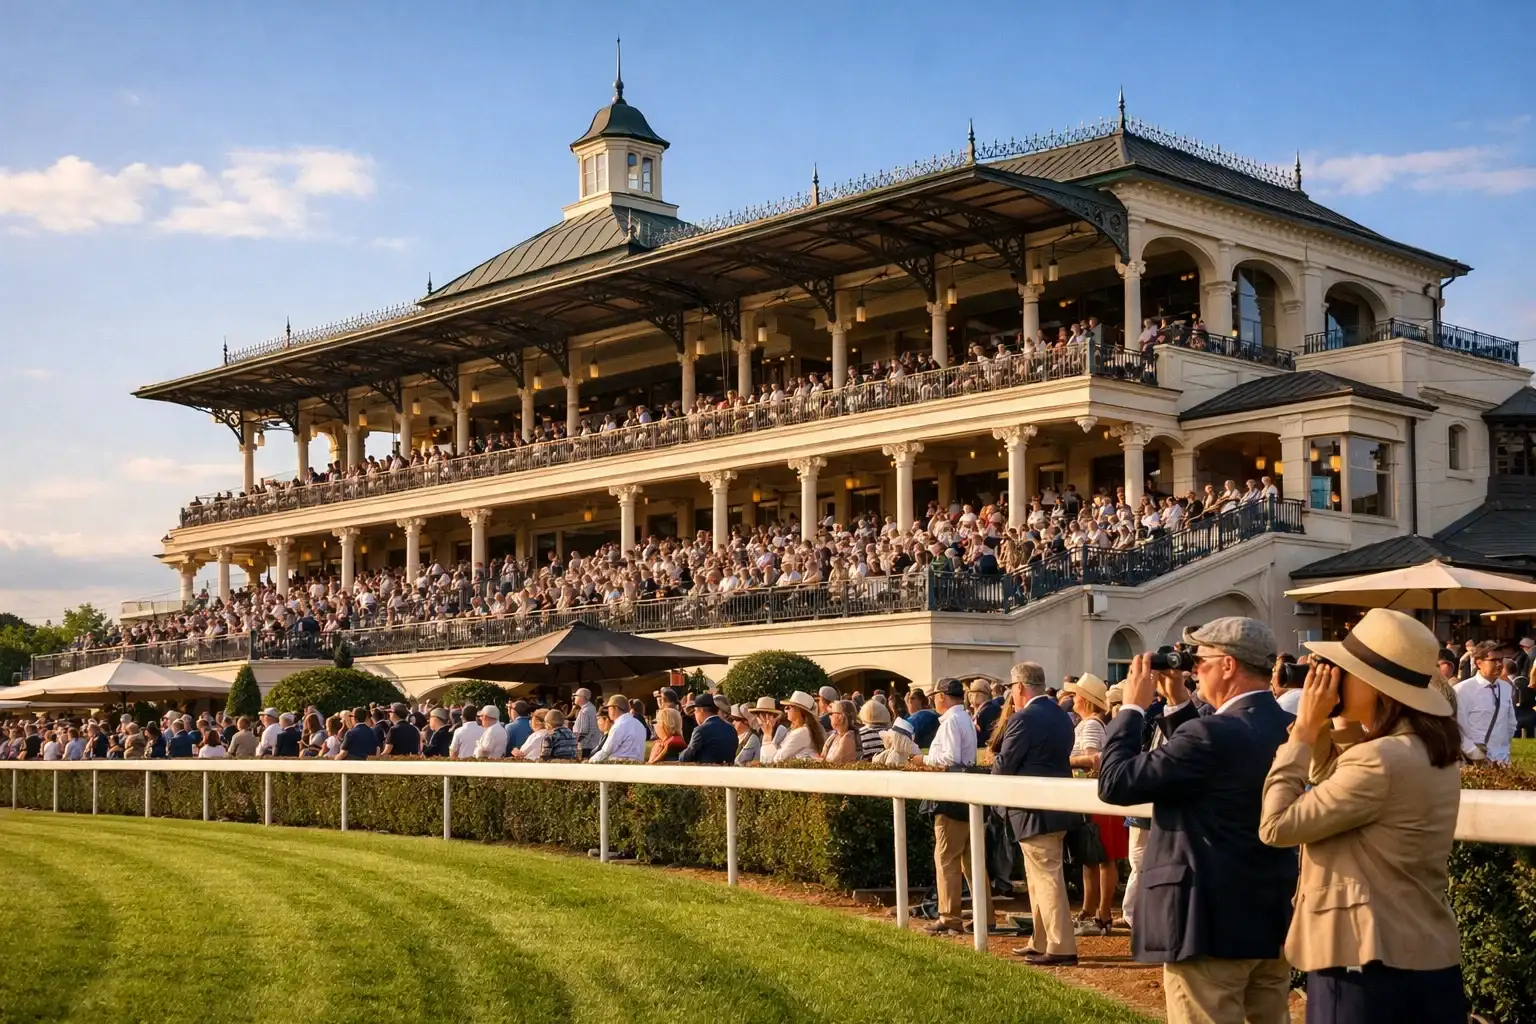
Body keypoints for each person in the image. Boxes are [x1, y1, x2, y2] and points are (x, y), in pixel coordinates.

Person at [1260, 608, 1466, 1023]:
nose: (1333, 679)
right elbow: (1338, 781)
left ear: (1376, 687)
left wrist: (1302, 730)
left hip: (1364, 965)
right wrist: (1333, 719)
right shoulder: (1427, 751)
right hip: (1425, 956)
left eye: (1345, 672)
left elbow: (1277, 826)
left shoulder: (1380, 761)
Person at [1097, 618, 1298, 1024]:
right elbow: (1205, 763)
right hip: (1269, 916)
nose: (1192, 669)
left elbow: (1115, 783)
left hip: (1206, 925)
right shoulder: (1286, 726)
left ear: (1227, 666)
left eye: (1200, 661)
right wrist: (1177, 702)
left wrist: (1133, 708)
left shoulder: (1212, 735)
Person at [994, 661, 1080, 965]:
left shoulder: (1023, 719)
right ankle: (1041, 938)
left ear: (1019, 687)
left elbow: (1005, 764)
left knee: (1046, 878)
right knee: (1038, 878)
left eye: (1011, 690)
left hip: (1032, 811)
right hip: (1058, 808)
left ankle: (1060, 946)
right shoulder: (1062, 716)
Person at [914, 677, 984, 936]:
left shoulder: (952, 721)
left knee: (946, 858)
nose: (933, 700)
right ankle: (983, 916)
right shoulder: (962, 717)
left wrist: (921, 759)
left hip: (951, 795)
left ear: (942, 696)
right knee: (970, 859)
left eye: (935, 696)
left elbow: (949, 759)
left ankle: (949, 916)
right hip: (965, 794)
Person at [1063, 672, 1122, 938]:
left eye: (1076, 695)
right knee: (1092, 857)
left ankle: (1102, 912)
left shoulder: (1091, 725)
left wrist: (1065, 761)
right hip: (1093, 795)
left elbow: (1091, 758)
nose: (1072, 699)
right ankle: (1091, 910)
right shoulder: (1092, 723)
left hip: (1095, 796)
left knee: (1102, 857)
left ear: (1086, 700)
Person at [1454, 640, 1517, 764]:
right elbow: (1457, 728)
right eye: (1494, 660)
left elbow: (1510, 723)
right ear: (1479, 663)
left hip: (1501, 760)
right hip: (1473, 761)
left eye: (1501, 659)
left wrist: (1504, 751)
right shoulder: (1463, 690)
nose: (1499, 664)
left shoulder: (1506, 688)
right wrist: (1475, 754)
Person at [766, 691, 823, 763]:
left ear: (799, 710)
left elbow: (778, 758)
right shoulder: (799, 730)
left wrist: (767, 735)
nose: (786, 711)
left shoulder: (802, 732)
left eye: (788, 707)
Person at [679, 694, 737, 764]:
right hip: (729, 772)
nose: (694, 714)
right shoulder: (731, 729)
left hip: (706, 773)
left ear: (701, 710)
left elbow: (686, 757)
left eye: (695, 711)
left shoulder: (700, 730)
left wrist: (680, 754)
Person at [589, 695, 646, 762]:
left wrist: (590, 761)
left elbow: (606, 751)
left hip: (620, 766)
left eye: (609, 708)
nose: (608, 711)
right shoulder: (639, 724)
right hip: (638, 765)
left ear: (615, 708)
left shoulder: (619, 725)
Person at [571, 687, 600, 759]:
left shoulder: (585, 711)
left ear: (582, 697)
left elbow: (584, 732)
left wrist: (580, 745)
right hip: (590, 744)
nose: (574, 698)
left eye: (576, 696)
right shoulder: (590, 707)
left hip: (586, 746)